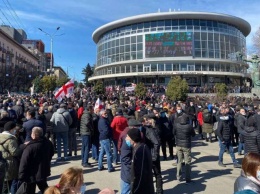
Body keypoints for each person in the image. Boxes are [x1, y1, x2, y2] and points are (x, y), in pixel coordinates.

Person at [18, 127, 54, 194]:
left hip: (31, 174)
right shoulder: (48, 142)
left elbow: (24, 162)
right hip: (43, 171)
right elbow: (51, 153)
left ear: (34, 135)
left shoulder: (30, 147)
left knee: (30, 190)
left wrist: (21, 175)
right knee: (45, 189)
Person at [126, 128, 154, 194]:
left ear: (133, 139)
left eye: (127, 137)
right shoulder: (141, 147)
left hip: (142, 189)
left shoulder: (139, 151)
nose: (126, 139)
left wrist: (134, 190)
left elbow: (140, 174)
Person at [0, 121, 22, 194]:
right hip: (10, 163)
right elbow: (14, 152)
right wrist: (22, 147)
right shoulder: (11, 139)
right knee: (13, 181)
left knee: (4, 182)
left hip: (1, 161)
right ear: (11, 129)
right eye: (14, 129)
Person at [173, 115, 195, 184]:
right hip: (186, 145)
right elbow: (193, 134)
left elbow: (173, 133)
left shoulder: (176, 125)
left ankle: (178, 176)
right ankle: (187, 179)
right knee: (187, 162)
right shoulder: (189, 126)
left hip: (178, 145)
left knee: (179, 161)